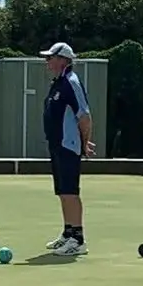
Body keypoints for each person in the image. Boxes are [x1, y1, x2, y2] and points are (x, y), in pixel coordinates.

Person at [41, 42, 94, 256]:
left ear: (63, 60)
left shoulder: (71, 82)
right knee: (63, 192)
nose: (47, 62)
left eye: (50, 58)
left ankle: (78, 239)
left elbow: (85, 116)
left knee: (70, 192)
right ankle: (68, 233)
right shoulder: (58, 83)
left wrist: (85, 142)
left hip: (68, 145)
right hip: (57, 145)